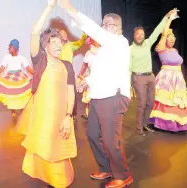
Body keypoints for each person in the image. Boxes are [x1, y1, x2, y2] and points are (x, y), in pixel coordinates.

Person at [58, 0, 133, 187]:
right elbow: (98, 74)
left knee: (110, 140)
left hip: (113, 97)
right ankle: (107, 168)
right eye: (104, 24)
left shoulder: (120, 42)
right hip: (98, 97)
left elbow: (93, 29)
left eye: (109, 24)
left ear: (118, 29)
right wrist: (85, 81)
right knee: (92, 134)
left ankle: (123, 175)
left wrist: (70, 9)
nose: (104, 27)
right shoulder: (102, 52)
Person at [16, 0, 77, 187]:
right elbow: (34, 32)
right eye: (54, 42)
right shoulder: (40, 61)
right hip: (43, 118)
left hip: (61, 117)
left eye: (61, 42)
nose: (59, 45)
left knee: (58, 150)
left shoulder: (66, 66)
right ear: (45, 46)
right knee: (43, 146)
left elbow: (71, 92)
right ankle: (43, 175)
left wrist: (68, 117)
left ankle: (58, 180)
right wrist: (49, 7)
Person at [129, 9, 177, 136]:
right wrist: (129, 82)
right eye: (137, 34)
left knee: (150, 102)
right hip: (138, 78)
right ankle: (139, 128)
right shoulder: (130, 49)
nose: (140, 36)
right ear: (134, 36)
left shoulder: (147, 43)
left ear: (144, 35)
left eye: (142, 34)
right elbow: (128, 67)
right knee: (142, 103)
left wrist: (166, 17)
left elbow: (157, 30)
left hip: (150, 76)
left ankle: (145, 124)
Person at [149, 10, 187, 132]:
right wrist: (169, 19)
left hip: (177, 78)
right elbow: (164, 34)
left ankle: (178, 123)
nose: (171, 40)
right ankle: (164, 124)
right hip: (166, 78)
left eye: (173, 38)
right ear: (164, 40)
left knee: (178, 102)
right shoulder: (161, 48)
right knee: (166, 102)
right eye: (169, 38)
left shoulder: (175, 51)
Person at [0, 39, 33, 118]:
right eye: (9, 47)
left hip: (19, 76)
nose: (9, 48)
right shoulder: (7, 57)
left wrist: (36, 74)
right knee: (10, 93)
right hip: (10, 77)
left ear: (15, 48)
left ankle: (21, 109)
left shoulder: (21, 58)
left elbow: (28, 68)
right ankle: (13, 111)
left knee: (21, 93)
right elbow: (2, 67)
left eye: (11, 47)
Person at [77, 37, 100, 120]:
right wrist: (80, 74)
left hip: (100, 77)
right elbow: (84, 65)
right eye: (94, 39)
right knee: (88, 96)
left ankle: (97, 113)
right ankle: (88, 113)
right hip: (90, 76)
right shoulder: (88, 53)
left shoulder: (104, 52)